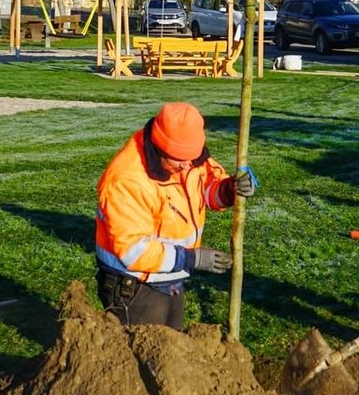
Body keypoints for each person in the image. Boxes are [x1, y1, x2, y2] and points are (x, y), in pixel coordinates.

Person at [95, 102, 256, 330]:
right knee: (142, 357)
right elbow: (134, 251)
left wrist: (230, 190)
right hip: (134, 286)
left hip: (170, 278)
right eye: (180, 160)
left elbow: (205, 191)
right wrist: (192, 259)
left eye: (193, 158)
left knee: (171, 352)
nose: (188, 165)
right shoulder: (127, 181)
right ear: (160, 148)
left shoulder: (188, 156)